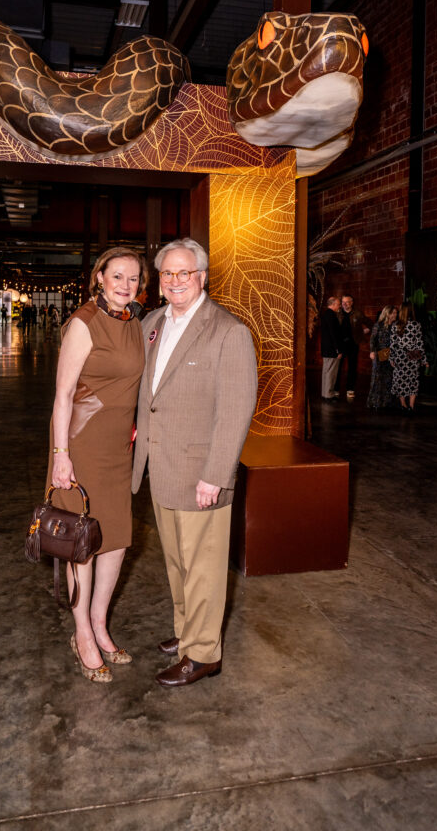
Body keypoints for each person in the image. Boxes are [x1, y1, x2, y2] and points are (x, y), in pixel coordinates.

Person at [132, 238, 258, 688]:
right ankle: (188, 632)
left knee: (203, 566)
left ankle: (203, 653)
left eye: (184, 273)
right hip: (160, 465)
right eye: (167, 273)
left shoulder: (228, 331)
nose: (175, 281)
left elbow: (236, 409)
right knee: (177, 562)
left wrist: (216, 475)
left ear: (202, 277)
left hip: (201, 473)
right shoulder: (151, 322)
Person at [47, 247, 147, 684]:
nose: (126, 285)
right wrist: (60, 456)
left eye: (134, 278)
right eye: (118, 276)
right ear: (100, 278)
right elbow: (63, 396)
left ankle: (101, 623)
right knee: (81, 545)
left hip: (118, 449)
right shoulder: (84, 323)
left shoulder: (136, 324)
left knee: (117, 540)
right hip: (82, 447)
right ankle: (82, 633)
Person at [390, 301, 425, 413]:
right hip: (413, 356)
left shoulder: (395, 325)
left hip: (400, 356)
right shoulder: (416, 325)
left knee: (401, 380)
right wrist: (423, 359)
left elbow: (393, 344)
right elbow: (420, 343)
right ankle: (411, 406)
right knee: (413, 380)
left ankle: (403, 404)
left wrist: (391, 358)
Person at [334, 294, 371, 399]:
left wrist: (365, 331)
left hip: (353, 344)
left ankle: (350, 389)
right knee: (338, 367)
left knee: (352, 367)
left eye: (347, 302)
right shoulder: (338, 313)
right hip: (341, 345)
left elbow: (370, 323)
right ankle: (336, 389)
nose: (345, 304)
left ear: (352, 302)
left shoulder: (358, 313)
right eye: (343, 302)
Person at [367, 306, 398, 410]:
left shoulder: (396, 325)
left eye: (395, 313)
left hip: (392, 353)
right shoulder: (378, 325)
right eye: (392, 313)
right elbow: (373, 339)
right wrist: (372, 351)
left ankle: (387, 402)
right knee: (378, 378)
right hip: (380, 353)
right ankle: (375, 402)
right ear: (387, 313)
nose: (395, 315)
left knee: (389, 378)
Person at [320, 296, 343, 401]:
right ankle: (329, 394)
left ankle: (325, 393)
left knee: (326, 372)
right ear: (333, 304)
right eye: (338, 304)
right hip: (332, 349)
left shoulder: (325, 314)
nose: (339, 306)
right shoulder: (331, 316)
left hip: (326, 349)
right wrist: (338, 349)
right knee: (331, 373)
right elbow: (334, 334)